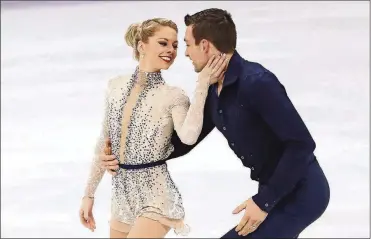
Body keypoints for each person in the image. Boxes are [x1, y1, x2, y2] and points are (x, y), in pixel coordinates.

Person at [100, 8, 331, 238]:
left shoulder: (257, 82)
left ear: (205, 45)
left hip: (302, 193)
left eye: (188, 45)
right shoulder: (213, 90)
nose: (186, 53)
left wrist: (263, 202)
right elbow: (186, 139)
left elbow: (301, 144)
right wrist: (127, 157)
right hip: (275, 190)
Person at [79, 18, 228, 238]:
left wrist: (202, 84)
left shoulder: (174, 95)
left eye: (175, 45)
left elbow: (188, 136)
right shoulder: (115, 86)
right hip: (122, 194)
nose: (171, 50)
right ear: (142, 46)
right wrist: (88, 194)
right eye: (163, 43)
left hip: (156, 195)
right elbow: (105, 140)